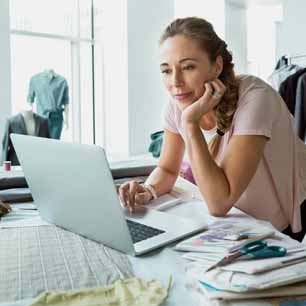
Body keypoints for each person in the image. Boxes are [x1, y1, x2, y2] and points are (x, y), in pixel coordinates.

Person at [119, 17, 306, 241]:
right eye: (166, 70)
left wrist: (190, 124)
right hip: (239, 223)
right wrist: (147, 190)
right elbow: (168, 170)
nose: (175, 81)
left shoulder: (255, 98)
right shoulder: (176, 105)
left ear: (216, 66)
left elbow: (219, 202)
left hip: (279, 223)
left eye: (188, 67)